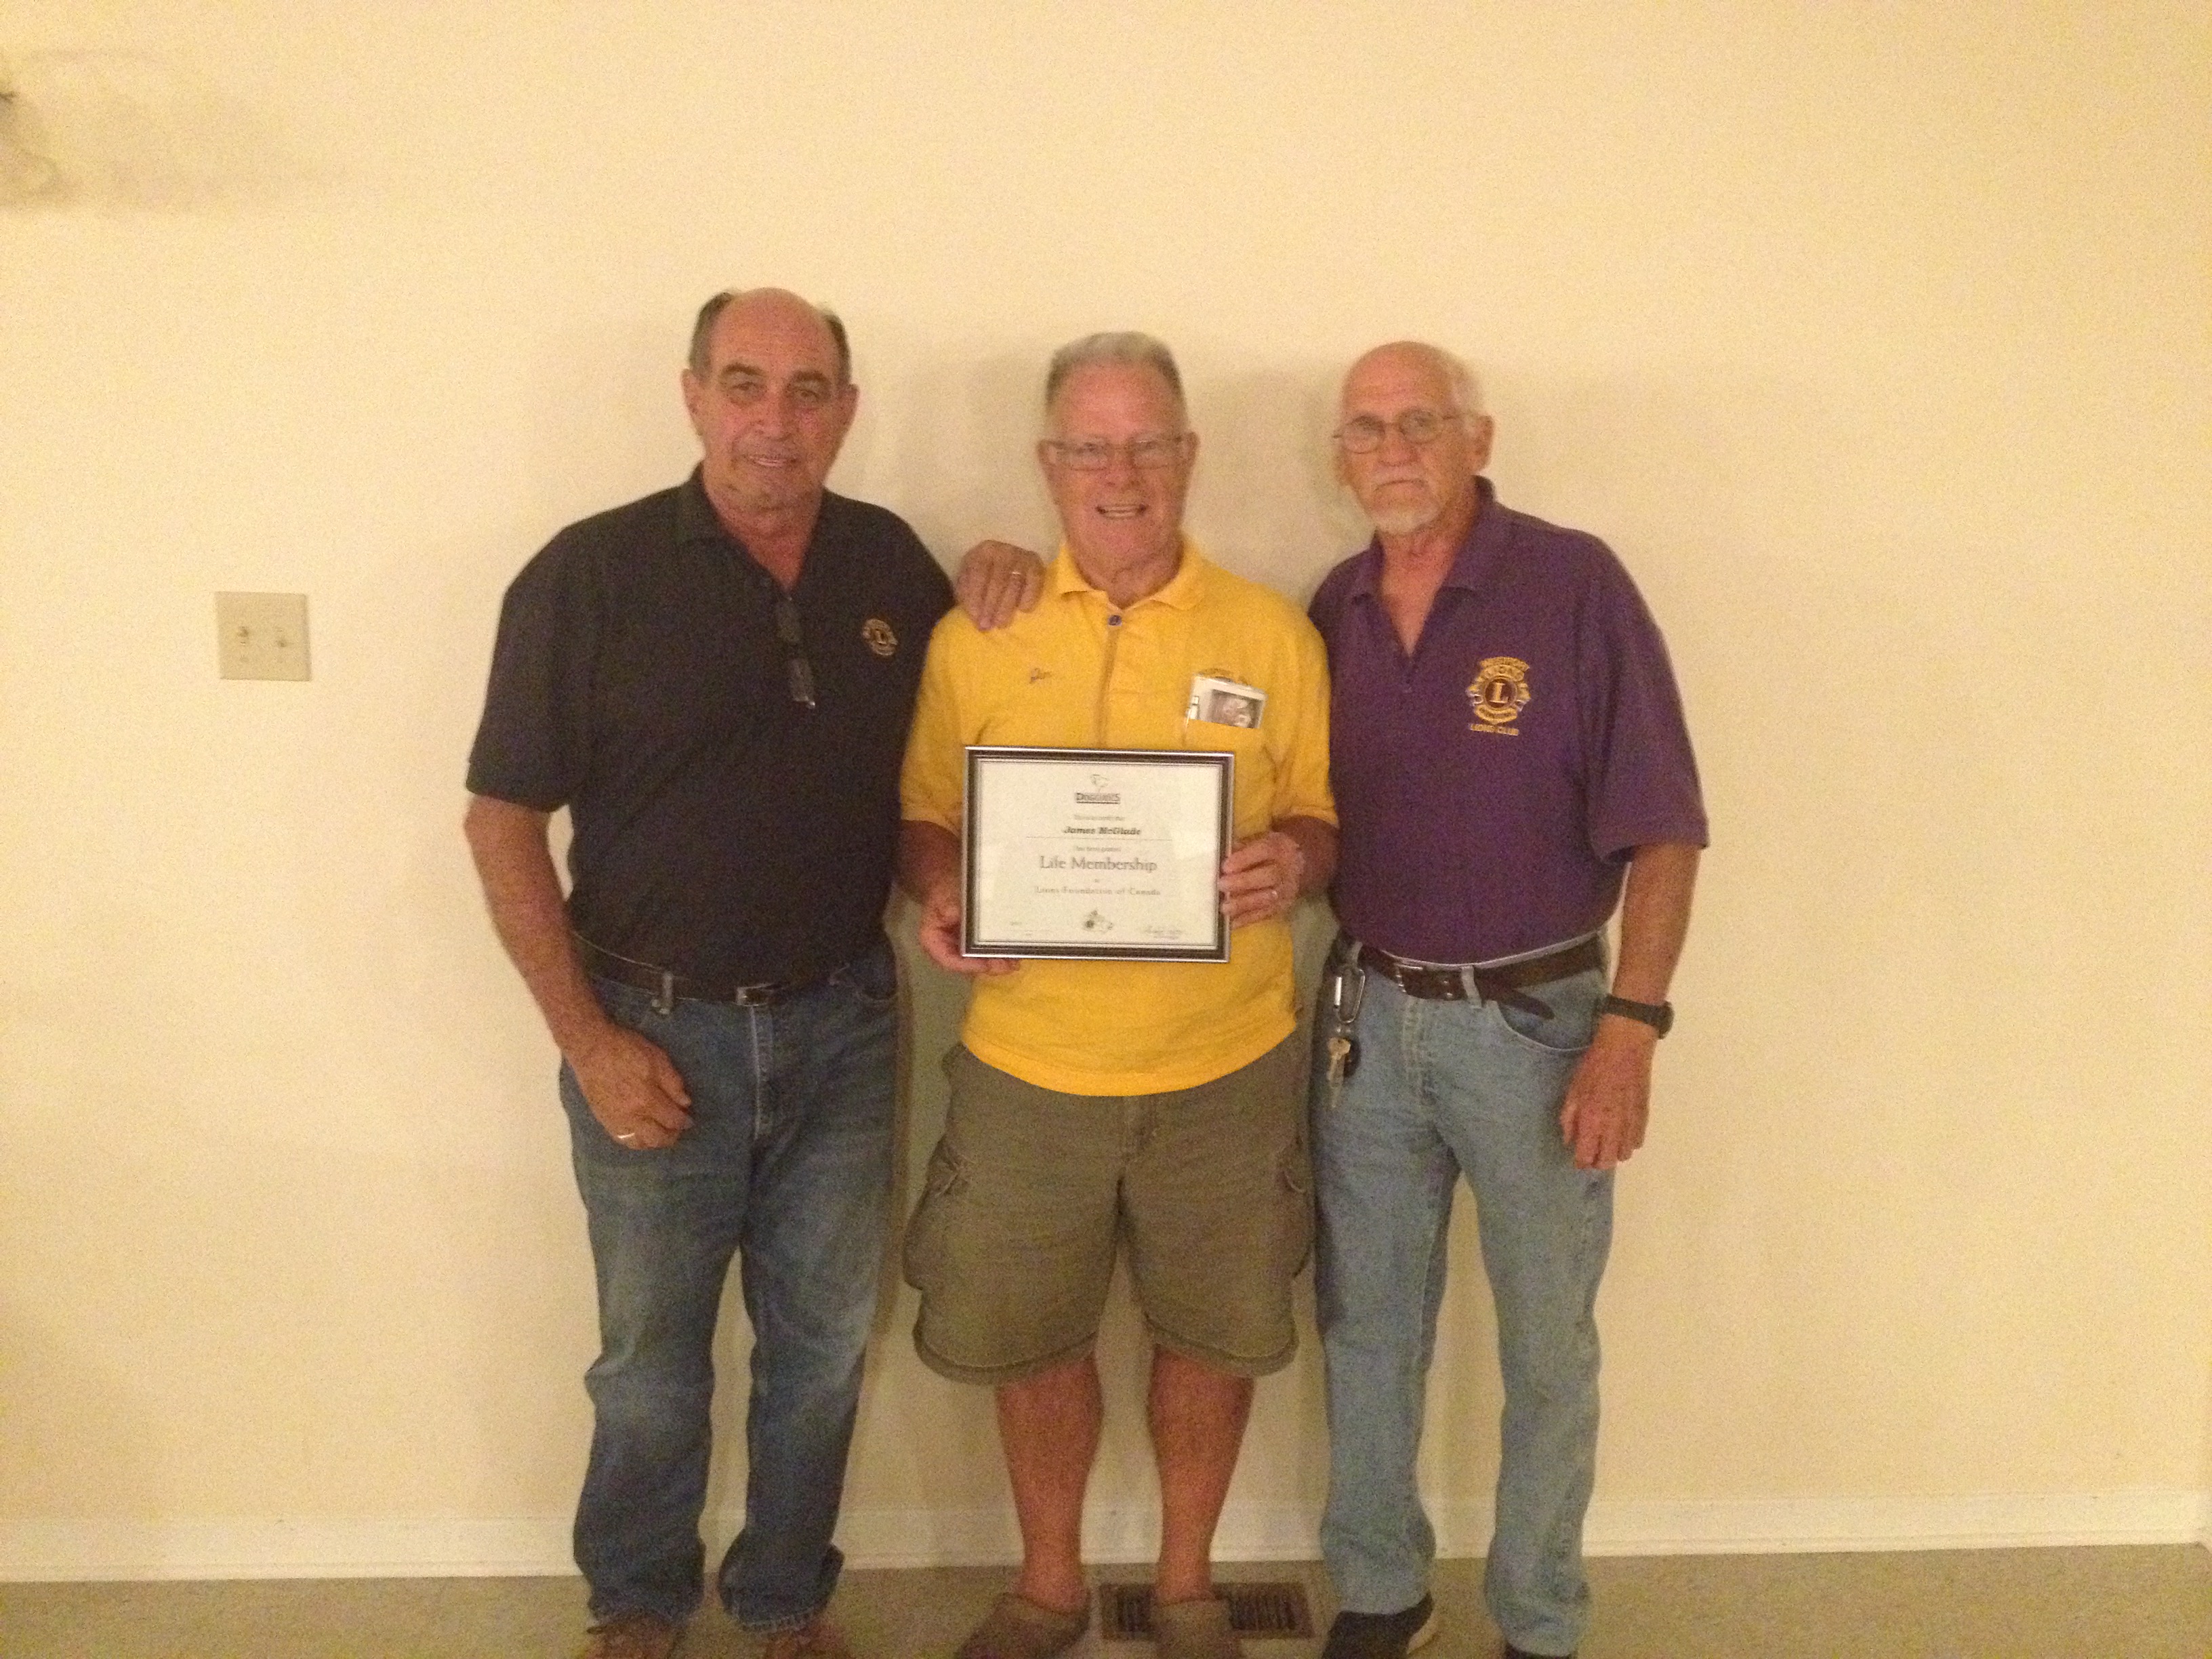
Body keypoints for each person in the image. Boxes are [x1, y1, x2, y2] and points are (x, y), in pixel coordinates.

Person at [954, 342, 1706, 1659]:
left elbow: (1667, 828)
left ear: (1478, 436)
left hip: (1537, 1025)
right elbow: (1309, 810)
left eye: (1419, 422)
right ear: (1339, 457)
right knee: (1369, 1330)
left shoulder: (1573, 583)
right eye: (1366, 429)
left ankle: (1540, 1619)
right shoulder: (1334, 608)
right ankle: (1381, 1591)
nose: (1392, 449)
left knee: (1547, 1346)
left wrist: (1631, 1028)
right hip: (1367, 1019)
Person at [463, 288, 951, 1659]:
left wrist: (1005, 576)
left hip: (845, 1024)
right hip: (649, 1030)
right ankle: (637, 1602)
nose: (775, 421)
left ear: (846, 411)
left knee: (822, 1349)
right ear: (692, 396)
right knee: (649, 1366)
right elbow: (501, 823)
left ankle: (785, 1600)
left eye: (808, 391)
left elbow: (943, 770)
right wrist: (587, 1041)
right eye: (745, 385)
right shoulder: (589, 575)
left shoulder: (891, 566)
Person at [899, 333, 1338, 1659]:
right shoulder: (977, 632)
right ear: (1050, 464)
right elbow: (927, 813)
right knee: (1033, 1344)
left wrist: (1295, 861)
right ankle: (1048, 1591)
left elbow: (1319, 813)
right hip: (1029, 1068)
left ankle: (1187, 1590)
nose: (1121, 472)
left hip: (1227, 1062)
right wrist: (942, 888)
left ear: (1188, 455)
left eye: (1147, 442)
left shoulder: (1271, 631)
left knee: (1213, 1342)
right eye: (1091, 446)